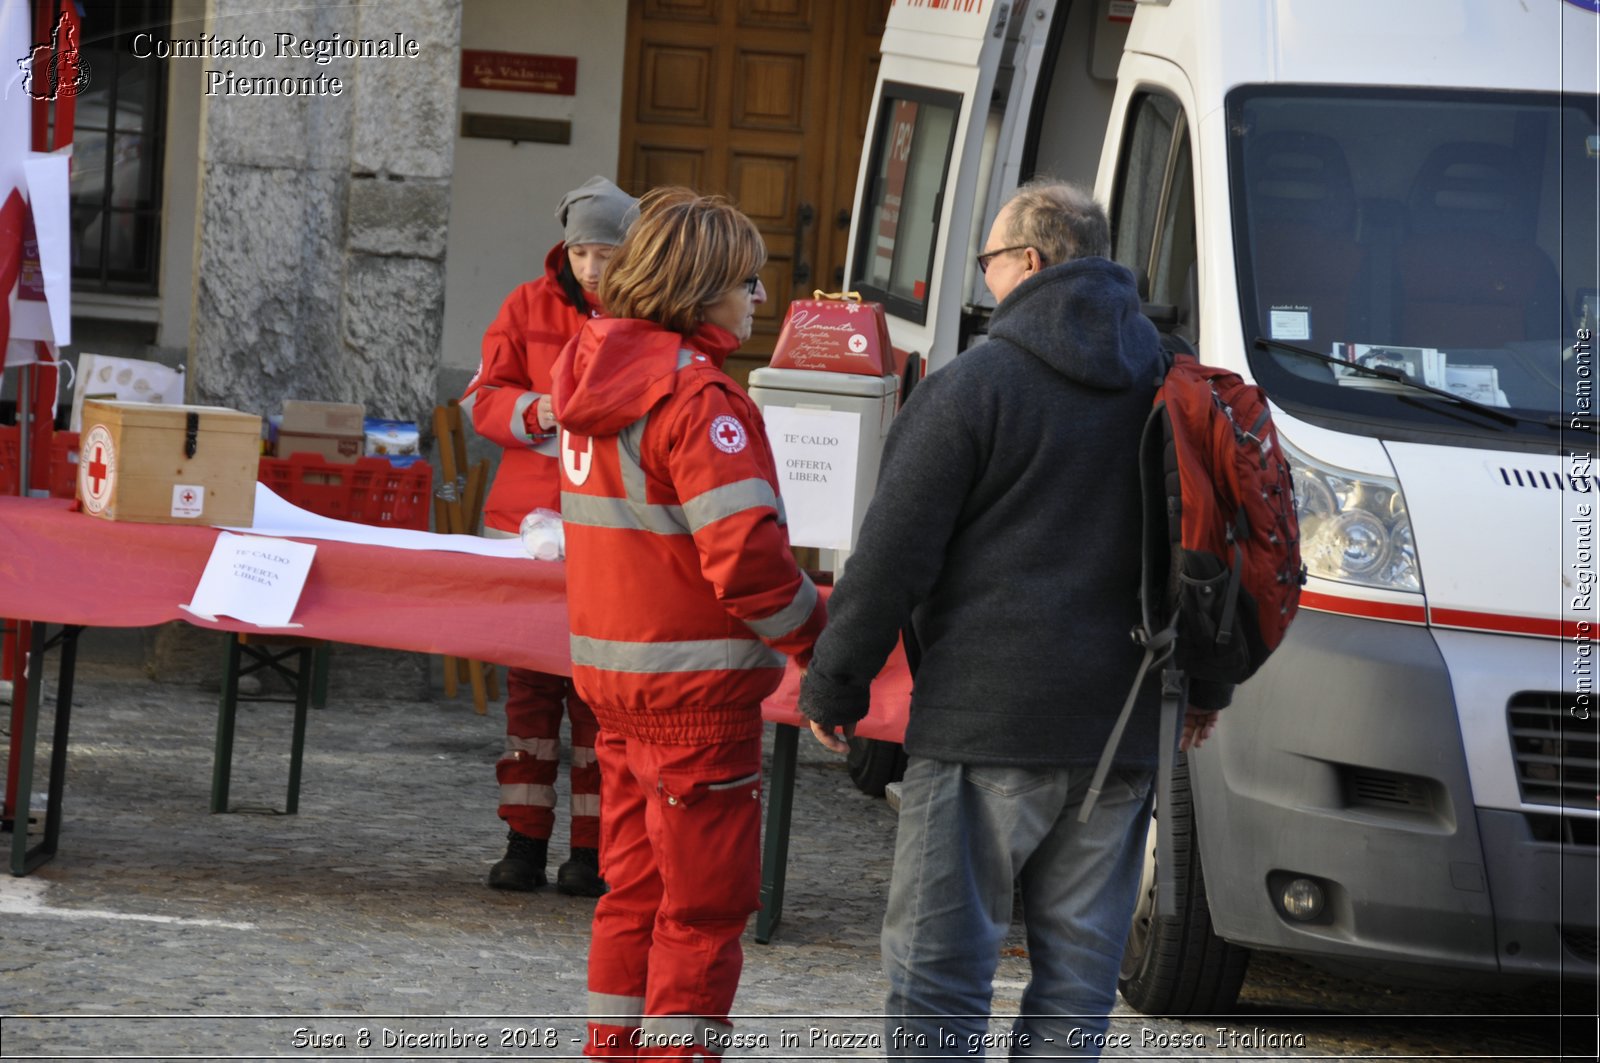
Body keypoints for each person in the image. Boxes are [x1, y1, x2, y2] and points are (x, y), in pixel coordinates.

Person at [797, 179, 1226, 1058]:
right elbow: (1217, 548)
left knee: (939, 977)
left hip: (985, 722)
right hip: (1123, 726)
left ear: (1028, 262)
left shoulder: (974, 386)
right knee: (1077, 984)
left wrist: (837, 681)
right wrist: (1209, 683)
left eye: (990, 260)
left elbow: (892, 554)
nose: (986, 276)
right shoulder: (1173, 379)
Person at [550, 187, 827, 1060]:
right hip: (697, 704)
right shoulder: (698, 400)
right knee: (702, 914)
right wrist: (819, 635)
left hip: (618, 693)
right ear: (701, 287)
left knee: (629, 895)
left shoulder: (591, 379)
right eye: (748, 281)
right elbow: (746, 562)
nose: (759, 299)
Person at [460, 175, 638, 897]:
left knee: (600, 697)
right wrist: (539, 414)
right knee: (531, 694)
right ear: (566, 247)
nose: (594, 267)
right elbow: (482, 401)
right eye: (585, 251)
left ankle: (592, 853)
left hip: (610, 527)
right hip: (526, 526)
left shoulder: (645, 314)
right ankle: (523, 840)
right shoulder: (523, 306)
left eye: (607, 254)